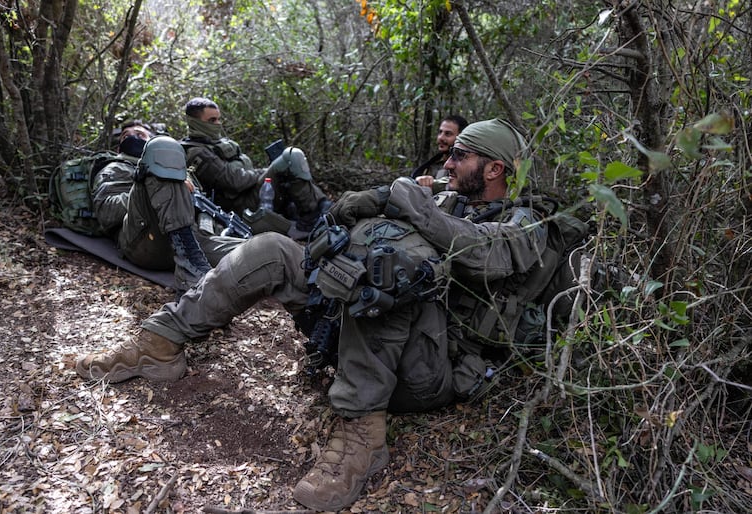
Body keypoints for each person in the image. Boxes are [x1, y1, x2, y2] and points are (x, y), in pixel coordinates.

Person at [76, 119, 569, 511]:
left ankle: (363, 435)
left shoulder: (527, 222)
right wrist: (372, 202)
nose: (448, 160)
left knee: (386, 277)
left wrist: (417, 209)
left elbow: (491, 256)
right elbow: (361, 223)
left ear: (494, 170)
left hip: (430, 368)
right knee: (269, 249)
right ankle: (160, 343)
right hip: (364, 332)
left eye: (460, 154)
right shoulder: (443, 197)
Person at [92, 121, 244, 294]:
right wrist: (149, 183)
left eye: (140, 134)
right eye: (126, 136)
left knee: (261, 251)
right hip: (145, 241)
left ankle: (192, 261)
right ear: (119, 149)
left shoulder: (180, 168)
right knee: (163, 152)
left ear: (150, 138)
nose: (133, 137)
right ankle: (190, 271)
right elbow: (106, 212)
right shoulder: (116, 167)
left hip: (195, 240)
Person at [181, 97, 331, 238]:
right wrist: (266, 171)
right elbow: (234, 181)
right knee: (291, 156)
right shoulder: (196, 153)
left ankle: (322, 209)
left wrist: (263, 171)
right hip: (241, 208)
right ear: (195, 122)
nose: (218, 124)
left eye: (219, 119)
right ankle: (310, 221)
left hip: (253, 194)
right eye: (212, 120)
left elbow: (244, 173)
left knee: (288, 166)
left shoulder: (219, 143)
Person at [412, 114, 468, 180]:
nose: (440, 138)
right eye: (440, 132)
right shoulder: (432, 164)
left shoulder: (466, 166)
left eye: (448, 134)